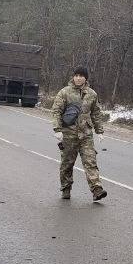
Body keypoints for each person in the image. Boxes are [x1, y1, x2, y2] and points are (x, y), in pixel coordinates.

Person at [51, 67, 107, 201]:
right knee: (67, 164)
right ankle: (66, 188)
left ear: (85, 78)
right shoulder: (65, 92)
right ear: (73, 77)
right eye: (76, 75)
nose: (78, 78)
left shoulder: (92, 94)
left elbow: (96, 114)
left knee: (90, 161)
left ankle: (97, 189)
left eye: (81, 76)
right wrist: (57, 129)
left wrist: (99, 131)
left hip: (86, 135)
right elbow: (56, 111)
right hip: (68, 134)